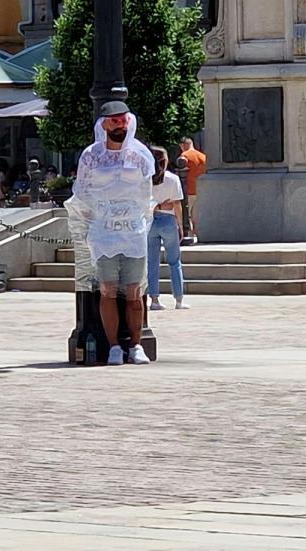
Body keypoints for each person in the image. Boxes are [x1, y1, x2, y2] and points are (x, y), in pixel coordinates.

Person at [66, 101, 155, 365]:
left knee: (134, 293)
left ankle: (136, 345)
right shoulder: (91, 156)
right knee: (106, 290)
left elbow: (147, 192)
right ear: (103, 124)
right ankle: (114, 346)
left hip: (133, 232)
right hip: (103, 233)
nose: (118, 126)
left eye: (122, 120)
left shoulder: (139, 155)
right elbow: (81, 191)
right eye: (112, 121)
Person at [147, 146, 189, 311]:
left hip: (150, 220)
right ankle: (178, 299)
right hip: (168, 219)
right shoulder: (172, 179)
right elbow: (177, 205)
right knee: (174, 261)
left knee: (152, 262)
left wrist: (156, 206)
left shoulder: (145, 179)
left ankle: (155, 299)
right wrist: (182, 226)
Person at [179, 136, 207, 239]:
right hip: (201, 189)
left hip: (189, 190)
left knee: (187, 216)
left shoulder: (184, 156)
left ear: (183, 145)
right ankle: (198, 235)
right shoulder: (203, 156)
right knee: (196, 215)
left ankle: (189, 235)